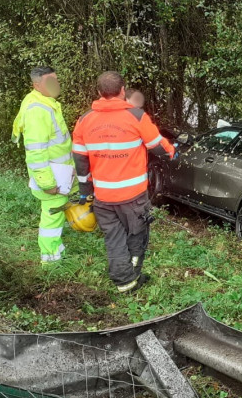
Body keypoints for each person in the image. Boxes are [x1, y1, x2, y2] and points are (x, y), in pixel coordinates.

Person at [72, 72, 176, 293]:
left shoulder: (84, 120)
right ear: (122, 91)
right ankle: (133, 277)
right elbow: (158, 146)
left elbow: (80, 159)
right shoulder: (136, 117)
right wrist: (172, 151)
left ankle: (123, 280)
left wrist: (85, 191)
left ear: (99, 93)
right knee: (137, 235)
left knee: (114, 237)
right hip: (133, 196)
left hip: (103, 197)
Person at [11, 66, 76, 263]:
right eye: (50, 81)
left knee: (56, 215)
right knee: (52, 217)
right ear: (36, 85)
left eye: (56, 80)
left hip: (59, 173)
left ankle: (55, 250)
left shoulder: (44, 103)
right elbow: (36, 152)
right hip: (52, 177)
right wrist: (47, 183)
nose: (55, 84)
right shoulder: (38, 111)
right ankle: (50, 260)